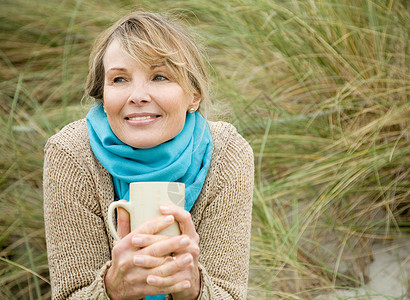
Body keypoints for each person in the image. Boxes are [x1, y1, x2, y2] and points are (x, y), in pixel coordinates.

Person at [43, 11, 254, 300]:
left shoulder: (227, 153)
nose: (137, 96)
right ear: (103, 97)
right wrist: (112, 289)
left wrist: (194, 289)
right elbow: (69, 295)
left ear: (193, 94)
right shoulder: (71, 153)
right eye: (119, 79)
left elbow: (230, 295)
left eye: (159, 76)